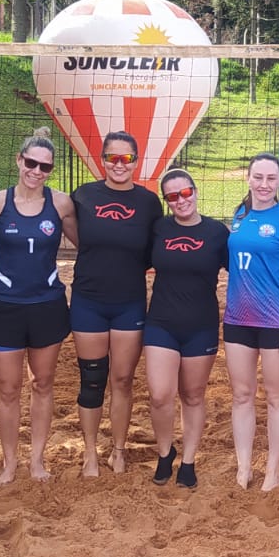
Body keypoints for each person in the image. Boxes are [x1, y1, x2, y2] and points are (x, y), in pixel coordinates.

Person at [0, 132, 77, 485]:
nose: (37, 170)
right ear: (18, 160)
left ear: (51, 170)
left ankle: (37, 460)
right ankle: (9, 463)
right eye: (31, 163)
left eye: (45, 166)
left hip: (47, 306)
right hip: (4, 306)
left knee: (43, 383)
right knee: (7, 388)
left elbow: (89, 245)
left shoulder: (62, 204)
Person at [68, 131, 163, 476]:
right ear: (102, 159)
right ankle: (91, 453)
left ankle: (118, 450)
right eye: (112, 158)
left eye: (127, 159)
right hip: (89, 300)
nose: (119, 165)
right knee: (92, 380)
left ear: (136, 162)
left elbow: (162, 246)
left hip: (129, 302)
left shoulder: (149, 202)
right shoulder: (83, 196)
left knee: (122, 380)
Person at [223, 153, 279, 491]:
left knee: (276, 396)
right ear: (248, 178)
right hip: (237, 319)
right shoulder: (239, 216)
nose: (263, 184)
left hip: (275, 320)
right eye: (258, 177)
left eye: (271, 178)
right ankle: (243, 467)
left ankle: (272, 469)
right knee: (242, 394)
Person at [145, 169, 228, 489]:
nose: (182, 200)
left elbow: (244, 268)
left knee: (192, 395)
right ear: (166, 201)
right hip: (161, 322)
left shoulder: (217, 233)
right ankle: (165, 452)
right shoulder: (158, 229)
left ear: (195, 191)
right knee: (160, 395)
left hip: (201, 324)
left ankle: (189, 460)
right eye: (173, 196)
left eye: (186, 192)